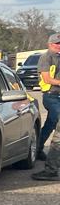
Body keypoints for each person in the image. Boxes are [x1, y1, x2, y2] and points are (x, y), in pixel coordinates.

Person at [34, 34, 60, 180]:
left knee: (51, 123)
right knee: (58, 124)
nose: (59, 45)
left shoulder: (59, 57)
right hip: (51, 96)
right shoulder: (46, 57)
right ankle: (52, 167)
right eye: (56, 43)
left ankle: (37, 148)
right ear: (50, 44)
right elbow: (47, 78)